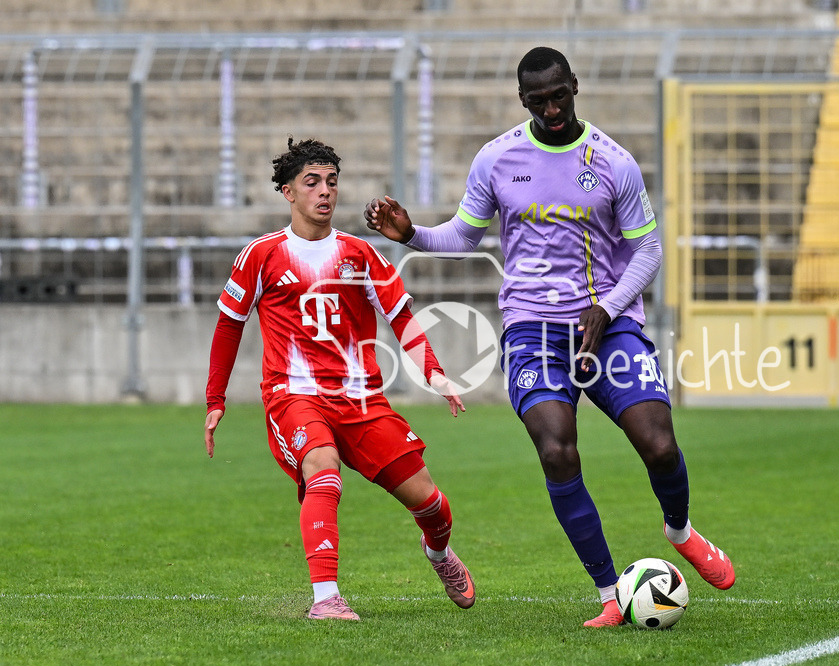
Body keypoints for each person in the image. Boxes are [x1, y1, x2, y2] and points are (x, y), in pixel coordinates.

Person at [364, 46, 734, 627]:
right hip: (532, 328)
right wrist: (412, 234)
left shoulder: (614, 162)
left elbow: (649, 250)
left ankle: (680, 530)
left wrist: (607, 307)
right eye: (539, 100)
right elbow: (466, 235)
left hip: (607, 326)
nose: (552, 108)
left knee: (659, 443)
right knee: (557, 451)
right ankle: (612, 594)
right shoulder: (497, 158)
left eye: (560, 95)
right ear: (523, 100)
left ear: (575, 87)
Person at [205, 137, 475, 621]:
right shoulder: (261, 255)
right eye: (312, 182)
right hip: (293, 396)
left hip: (361, 399)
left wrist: (435, 373)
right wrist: (215, 398)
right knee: (322, 469)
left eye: (331, 182)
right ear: (288, 192)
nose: (324, 192)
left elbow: (402, 319)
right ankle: (325, 598)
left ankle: (438, 555)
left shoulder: (362, 255)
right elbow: (229, 323)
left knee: (431, 503)